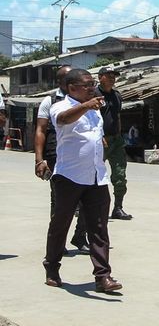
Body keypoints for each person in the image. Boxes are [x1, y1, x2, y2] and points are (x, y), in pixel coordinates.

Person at [43, 68, 122, 292]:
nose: (92, 88)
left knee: (99, 228)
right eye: (87, 85)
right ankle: (52, 267)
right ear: (72, 88)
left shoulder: (95, 109)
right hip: (69, 176)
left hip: (96, 176)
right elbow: (63, 119)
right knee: (61, 224)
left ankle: (103, 276)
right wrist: (85, 106)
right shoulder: (60, 105)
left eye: (92, 84)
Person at [34, 65, 89, 254]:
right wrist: (39, 159)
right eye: (69, 79)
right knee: (59, 202)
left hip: (82, 159)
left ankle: (80, 236)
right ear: (62, 83)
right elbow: (41, 130)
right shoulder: (50, 101)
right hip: (56, 155)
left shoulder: (87, 100)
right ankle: (58, 242)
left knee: (87, 200)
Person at [96, 66, 132, 220]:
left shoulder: (117, 95)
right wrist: (99, 135)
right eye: (108, 75)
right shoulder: (94, 94)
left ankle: (118, 207)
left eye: (114, 76)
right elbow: (90, 118)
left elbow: (117, 116)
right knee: (93, 174)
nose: (112, 78)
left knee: (120, 174)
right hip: (99, 140)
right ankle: (84, 205)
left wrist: (119, 135)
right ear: (100, 77)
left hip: (116, 140)